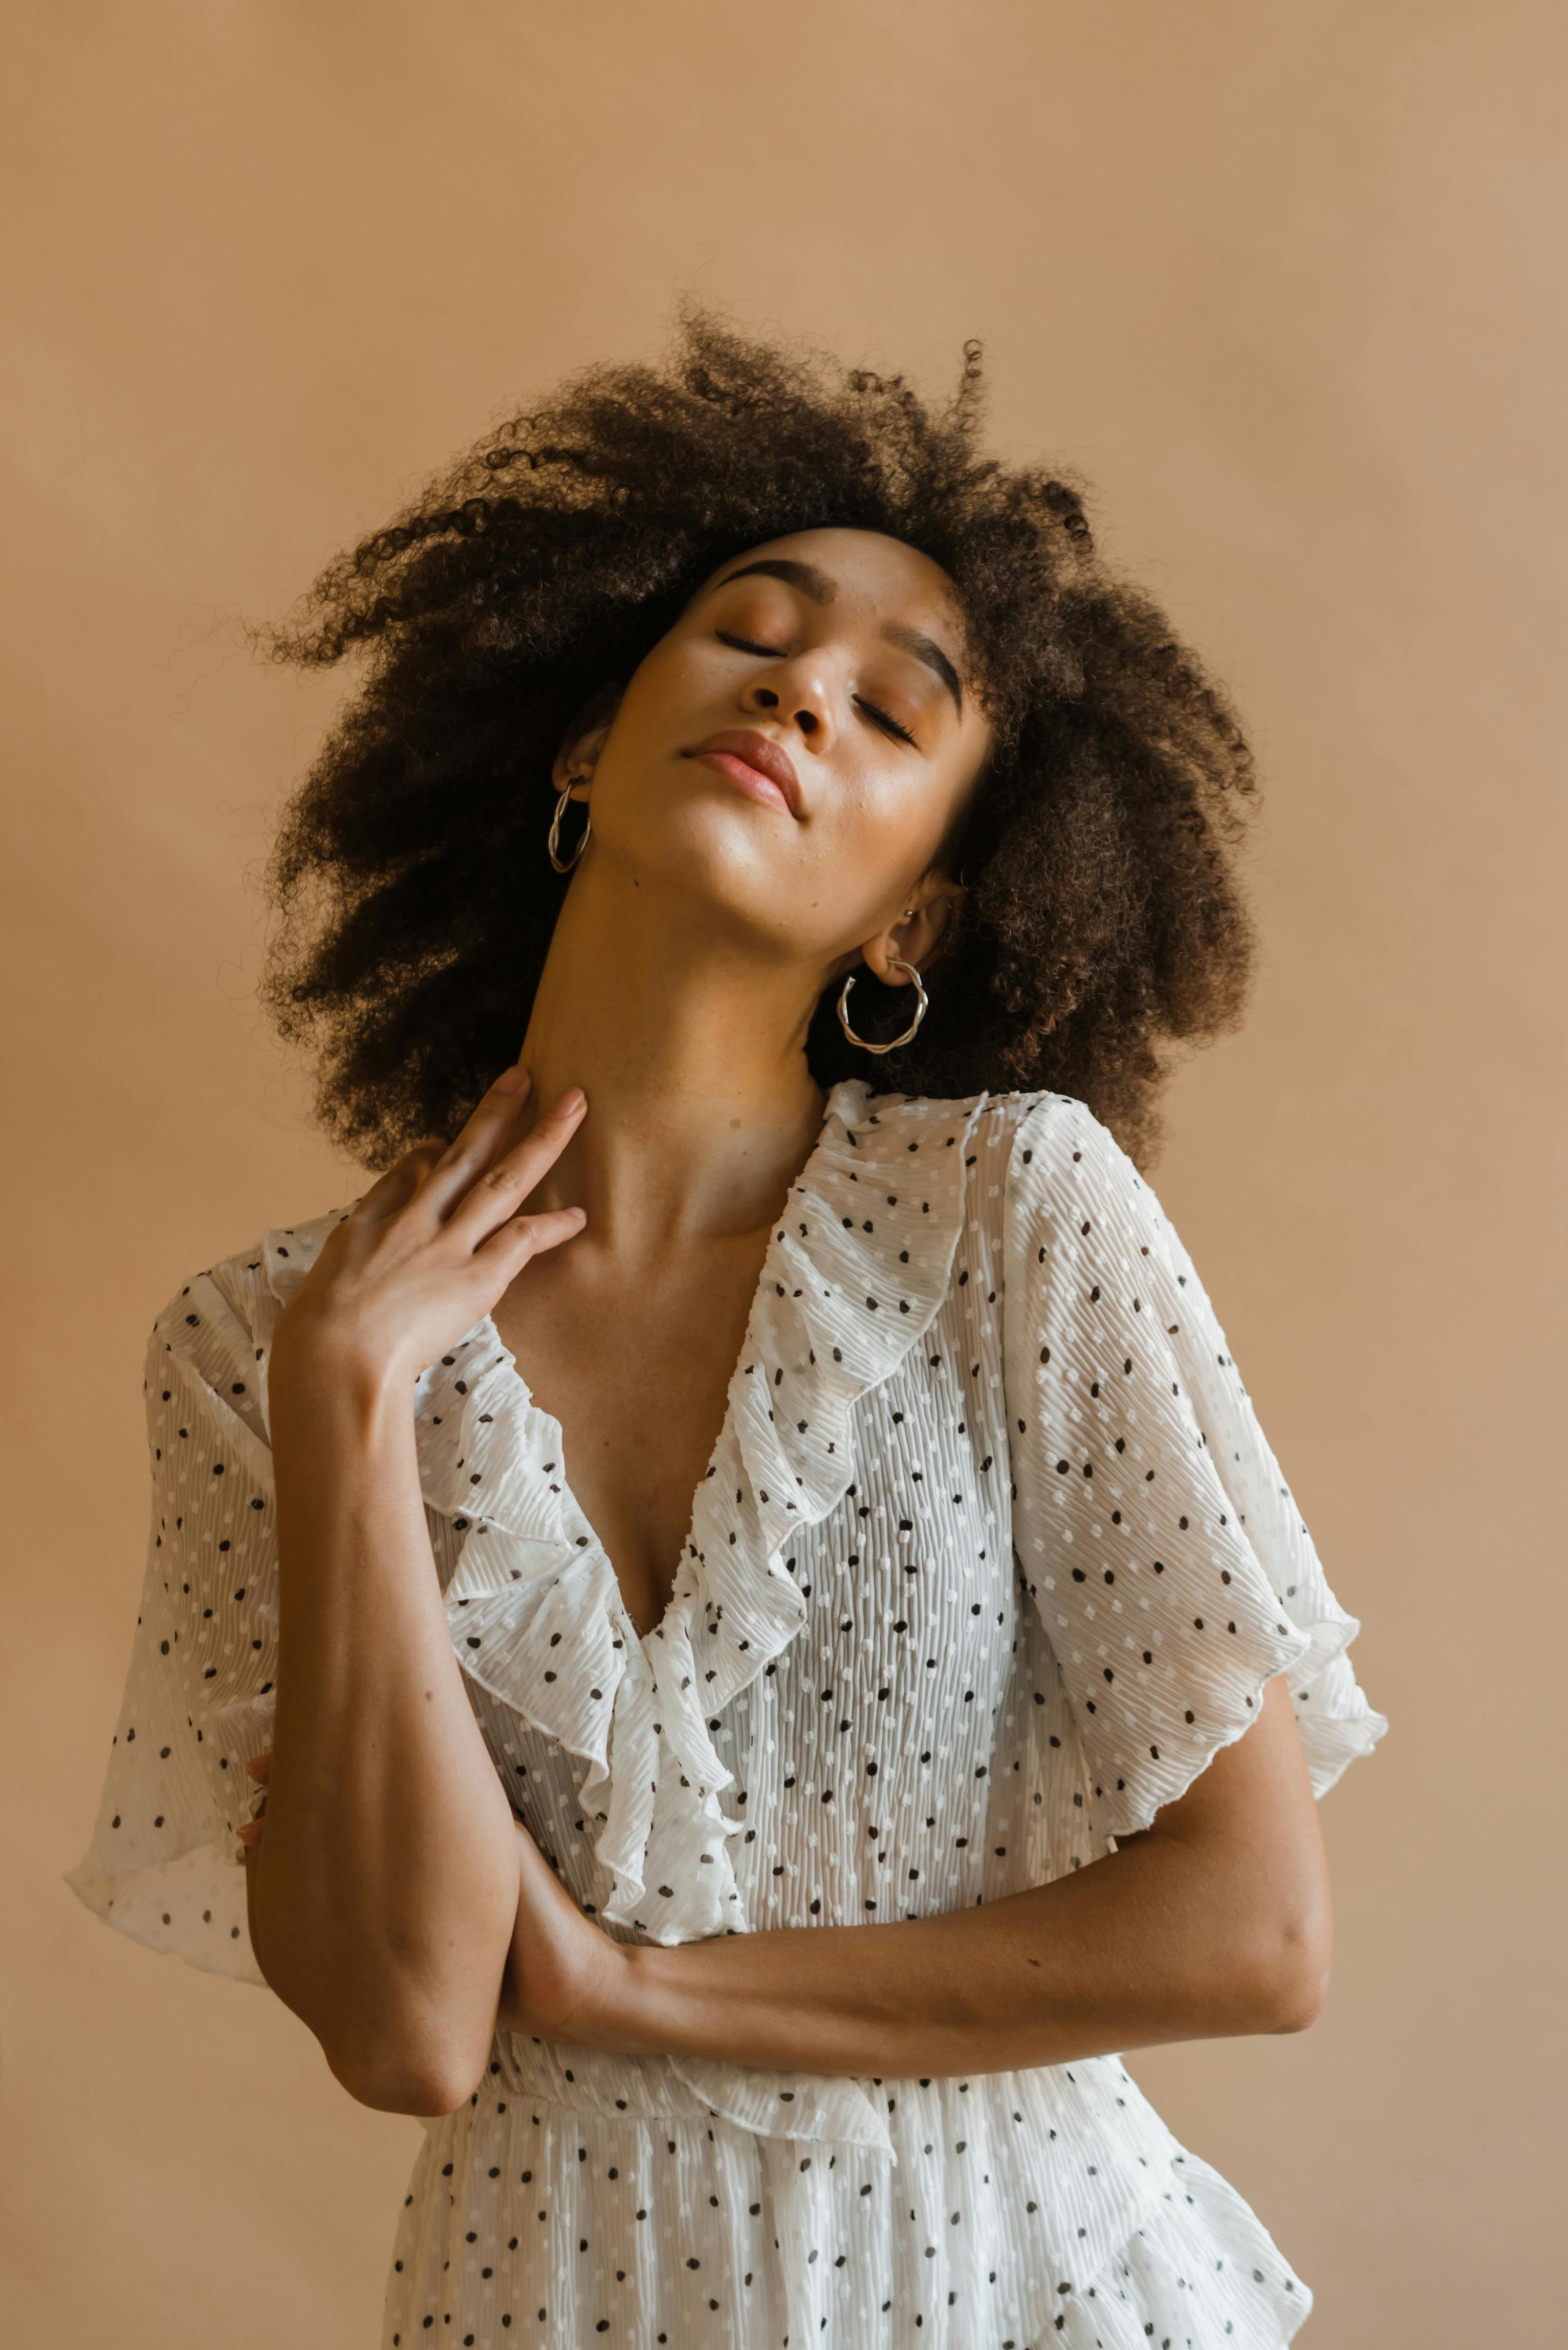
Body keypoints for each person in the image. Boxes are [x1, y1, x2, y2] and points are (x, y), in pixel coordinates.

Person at [66, 311, 1386, 2349]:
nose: (798, 685)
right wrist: (348, 1401)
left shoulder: (1012, 1218)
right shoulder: (262, 1341)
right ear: (585, 739)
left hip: (1014, 2282)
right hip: (547, 2291)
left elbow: (1252, 1923)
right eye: (749, 633)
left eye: (891, 709)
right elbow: (412, 2022)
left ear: (916, 917)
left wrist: (638, 1993)